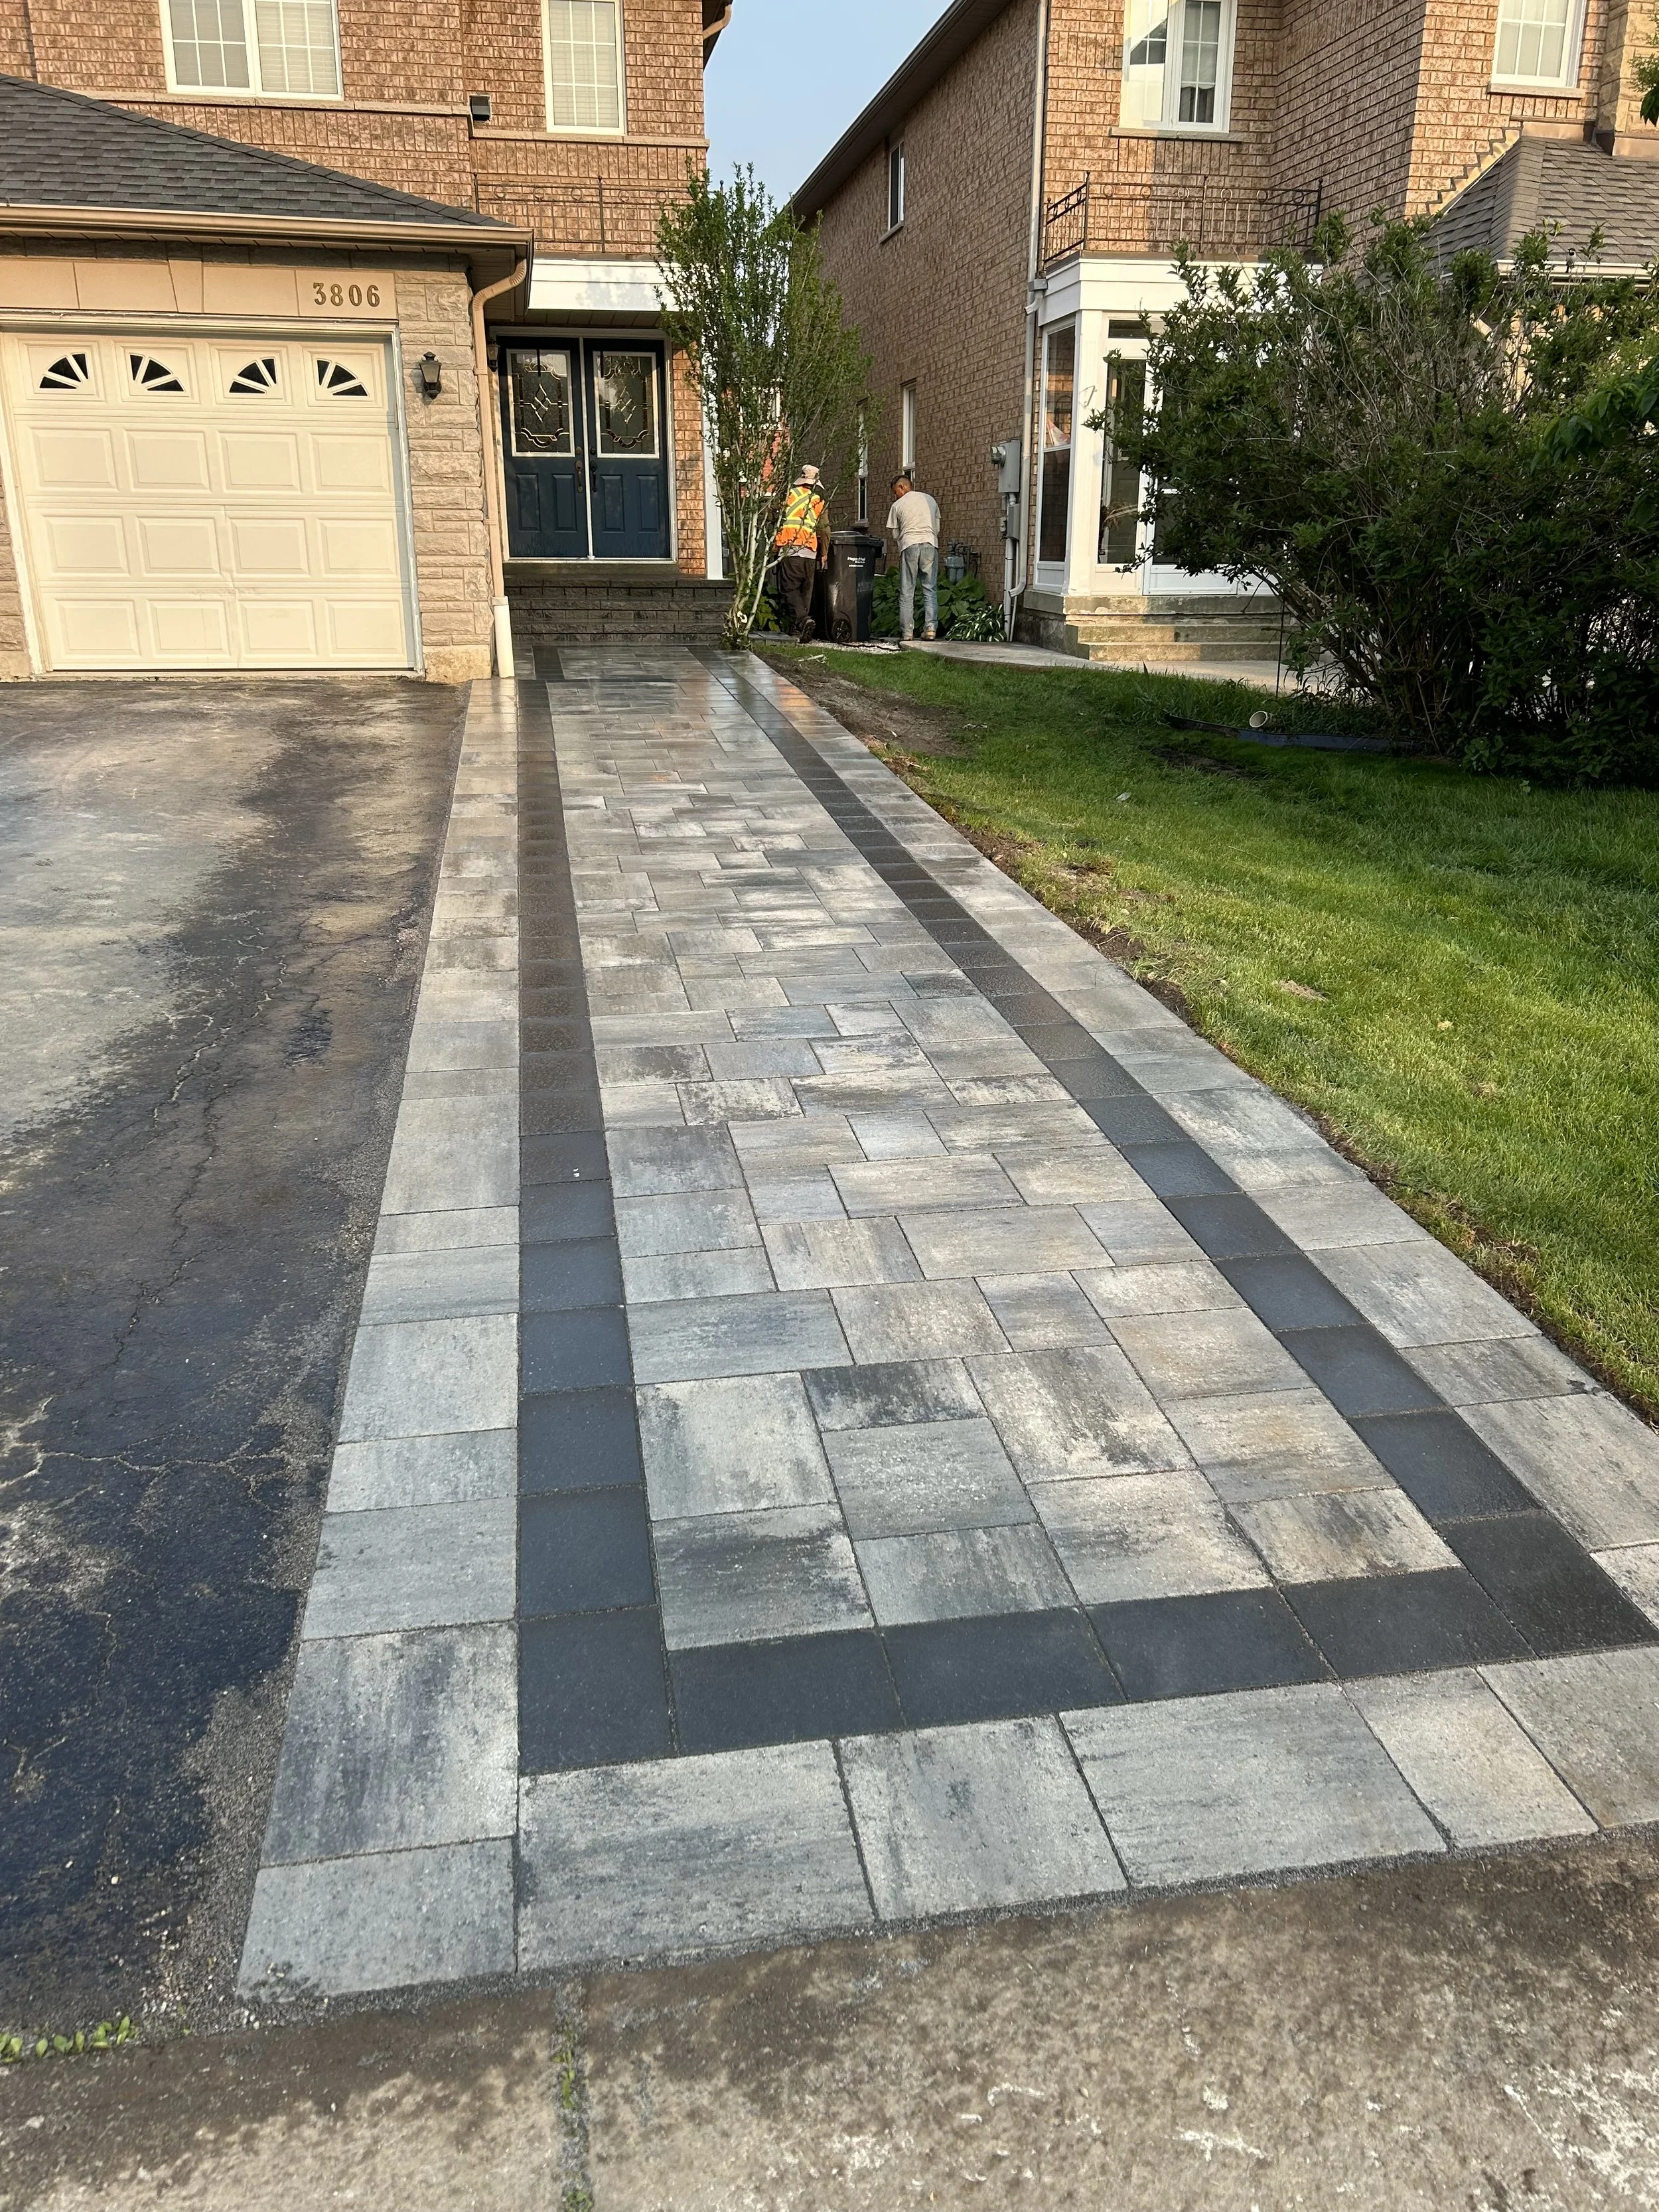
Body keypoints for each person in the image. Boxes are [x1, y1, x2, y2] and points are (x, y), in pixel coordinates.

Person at [773, 463, 831, 640]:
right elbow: (824, 529)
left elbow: (774, 520)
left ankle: (802, 621)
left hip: (791, 549)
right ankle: (798, 632)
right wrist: (824, 553)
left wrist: (774, 547)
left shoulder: (788, 497)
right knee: (805, 592)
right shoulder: (818, 501)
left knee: (789, 590)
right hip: (810, 551)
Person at [885, 472, 940, 643]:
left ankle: (907, 633)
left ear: (902, 487)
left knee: (907, 590)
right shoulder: (930, 500)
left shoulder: (898, 505)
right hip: (931, 544)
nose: (896, 495)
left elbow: (895, 534)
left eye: (896, 492)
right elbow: (937, 528)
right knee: (929, 588)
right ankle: (930, 629)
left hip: (910, 545)